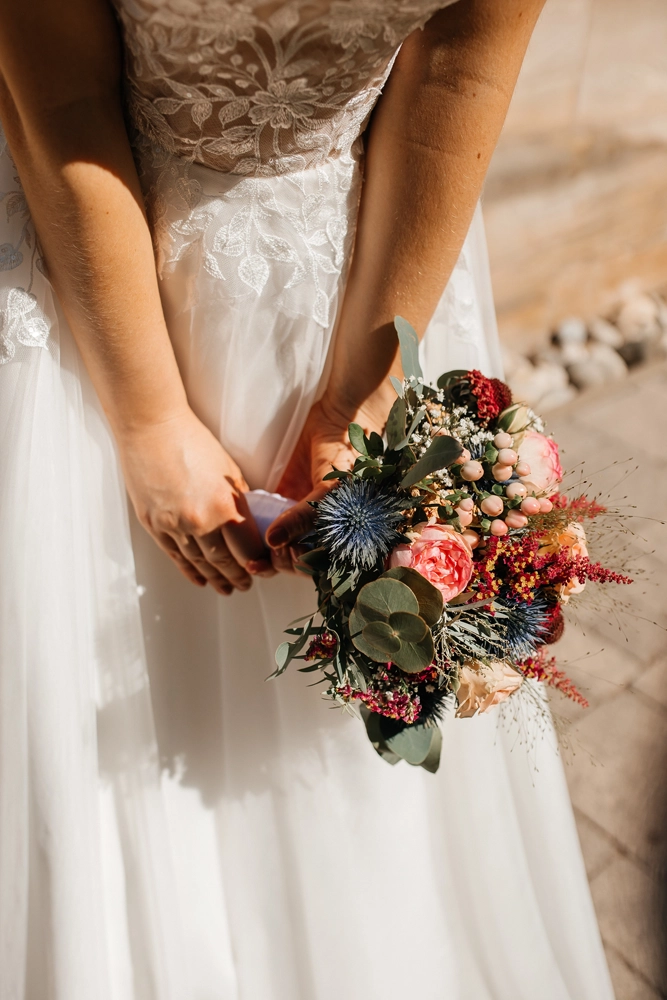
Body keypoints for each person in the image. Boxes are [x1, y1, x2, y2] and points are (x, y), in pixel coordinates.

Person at [0, 1, 615, 997]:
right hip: (103, 279)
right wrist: (149, 420)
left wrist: (359, 397)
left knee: (344, 771)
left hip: (366, 280)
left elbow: (458, 67)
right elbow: (58, 97)